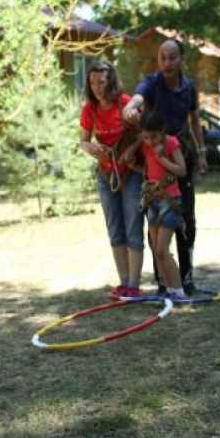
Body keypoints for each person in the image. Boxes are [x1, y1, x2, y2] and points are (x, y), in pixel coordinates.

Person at [122, 39, 207, 294]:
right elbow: (138, 97)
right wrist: (131, 106)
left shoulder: (189, 87)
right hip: (155, 160)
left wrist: (201, 153)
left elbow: (194, 121)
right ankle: (163, 282)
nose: (167, 63)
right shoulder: (151, 83)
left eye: (172, 57)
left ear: (181, 59)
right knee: (156, 220)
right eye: (162, 57)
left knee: (186, 219)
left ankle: (186, 277)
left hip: (180, 154)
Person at [79, 61, 145, 298]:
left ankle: (135, 285)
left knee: (133, 226)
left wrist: (132, 149)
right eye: (92, 82)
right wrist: (91, 148)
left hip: (131, 173)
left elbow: (143, 134)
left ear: (111, 80)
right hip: (106, 175)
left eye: (101, 81)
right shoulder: (89, 109)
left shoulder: (125, 103)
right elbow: (83, 141)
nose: (96, 87)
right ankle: (124, 282)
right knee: (115, 229)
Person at [139, 110, 187, 299]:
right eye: (146, 137)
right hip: (153, 200)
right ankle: (167, 290)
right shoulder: (144, 144)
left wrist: (162, 159)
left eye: (154, 137)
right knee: (155, 250)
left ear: (162, 130)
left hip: (170, 200)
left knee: (162, 249)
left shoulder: (171, 143)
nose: (150, 141)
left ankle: (178, 291)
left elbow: (181, 170)